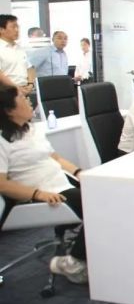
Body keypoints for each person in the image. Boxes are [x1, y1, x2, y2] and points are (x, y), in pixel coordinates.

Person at [0, 84, 88, 283]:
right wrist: (37, 194)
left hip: (61, 183)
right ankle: (73, 262)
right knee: (96, 206)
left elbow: (55, 157)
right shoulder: (2, 141)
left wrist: (78, 172)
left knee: (106, 193)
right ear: (9, 110)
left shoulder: (31, 130)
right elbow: (2, 184)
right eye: (22, 99)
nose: (29, 101)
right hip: (39, 194)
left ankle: (96, 254)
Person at [0, 15, 36, 94]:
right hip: (6, 92)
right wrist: (16, 87)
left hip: (25, 90)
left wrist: (30, 84)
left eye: (17, 27)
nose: (17, 30)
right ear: (1, 30)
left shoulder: (19, 48)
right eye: (13, 27)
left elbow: (29, 68)